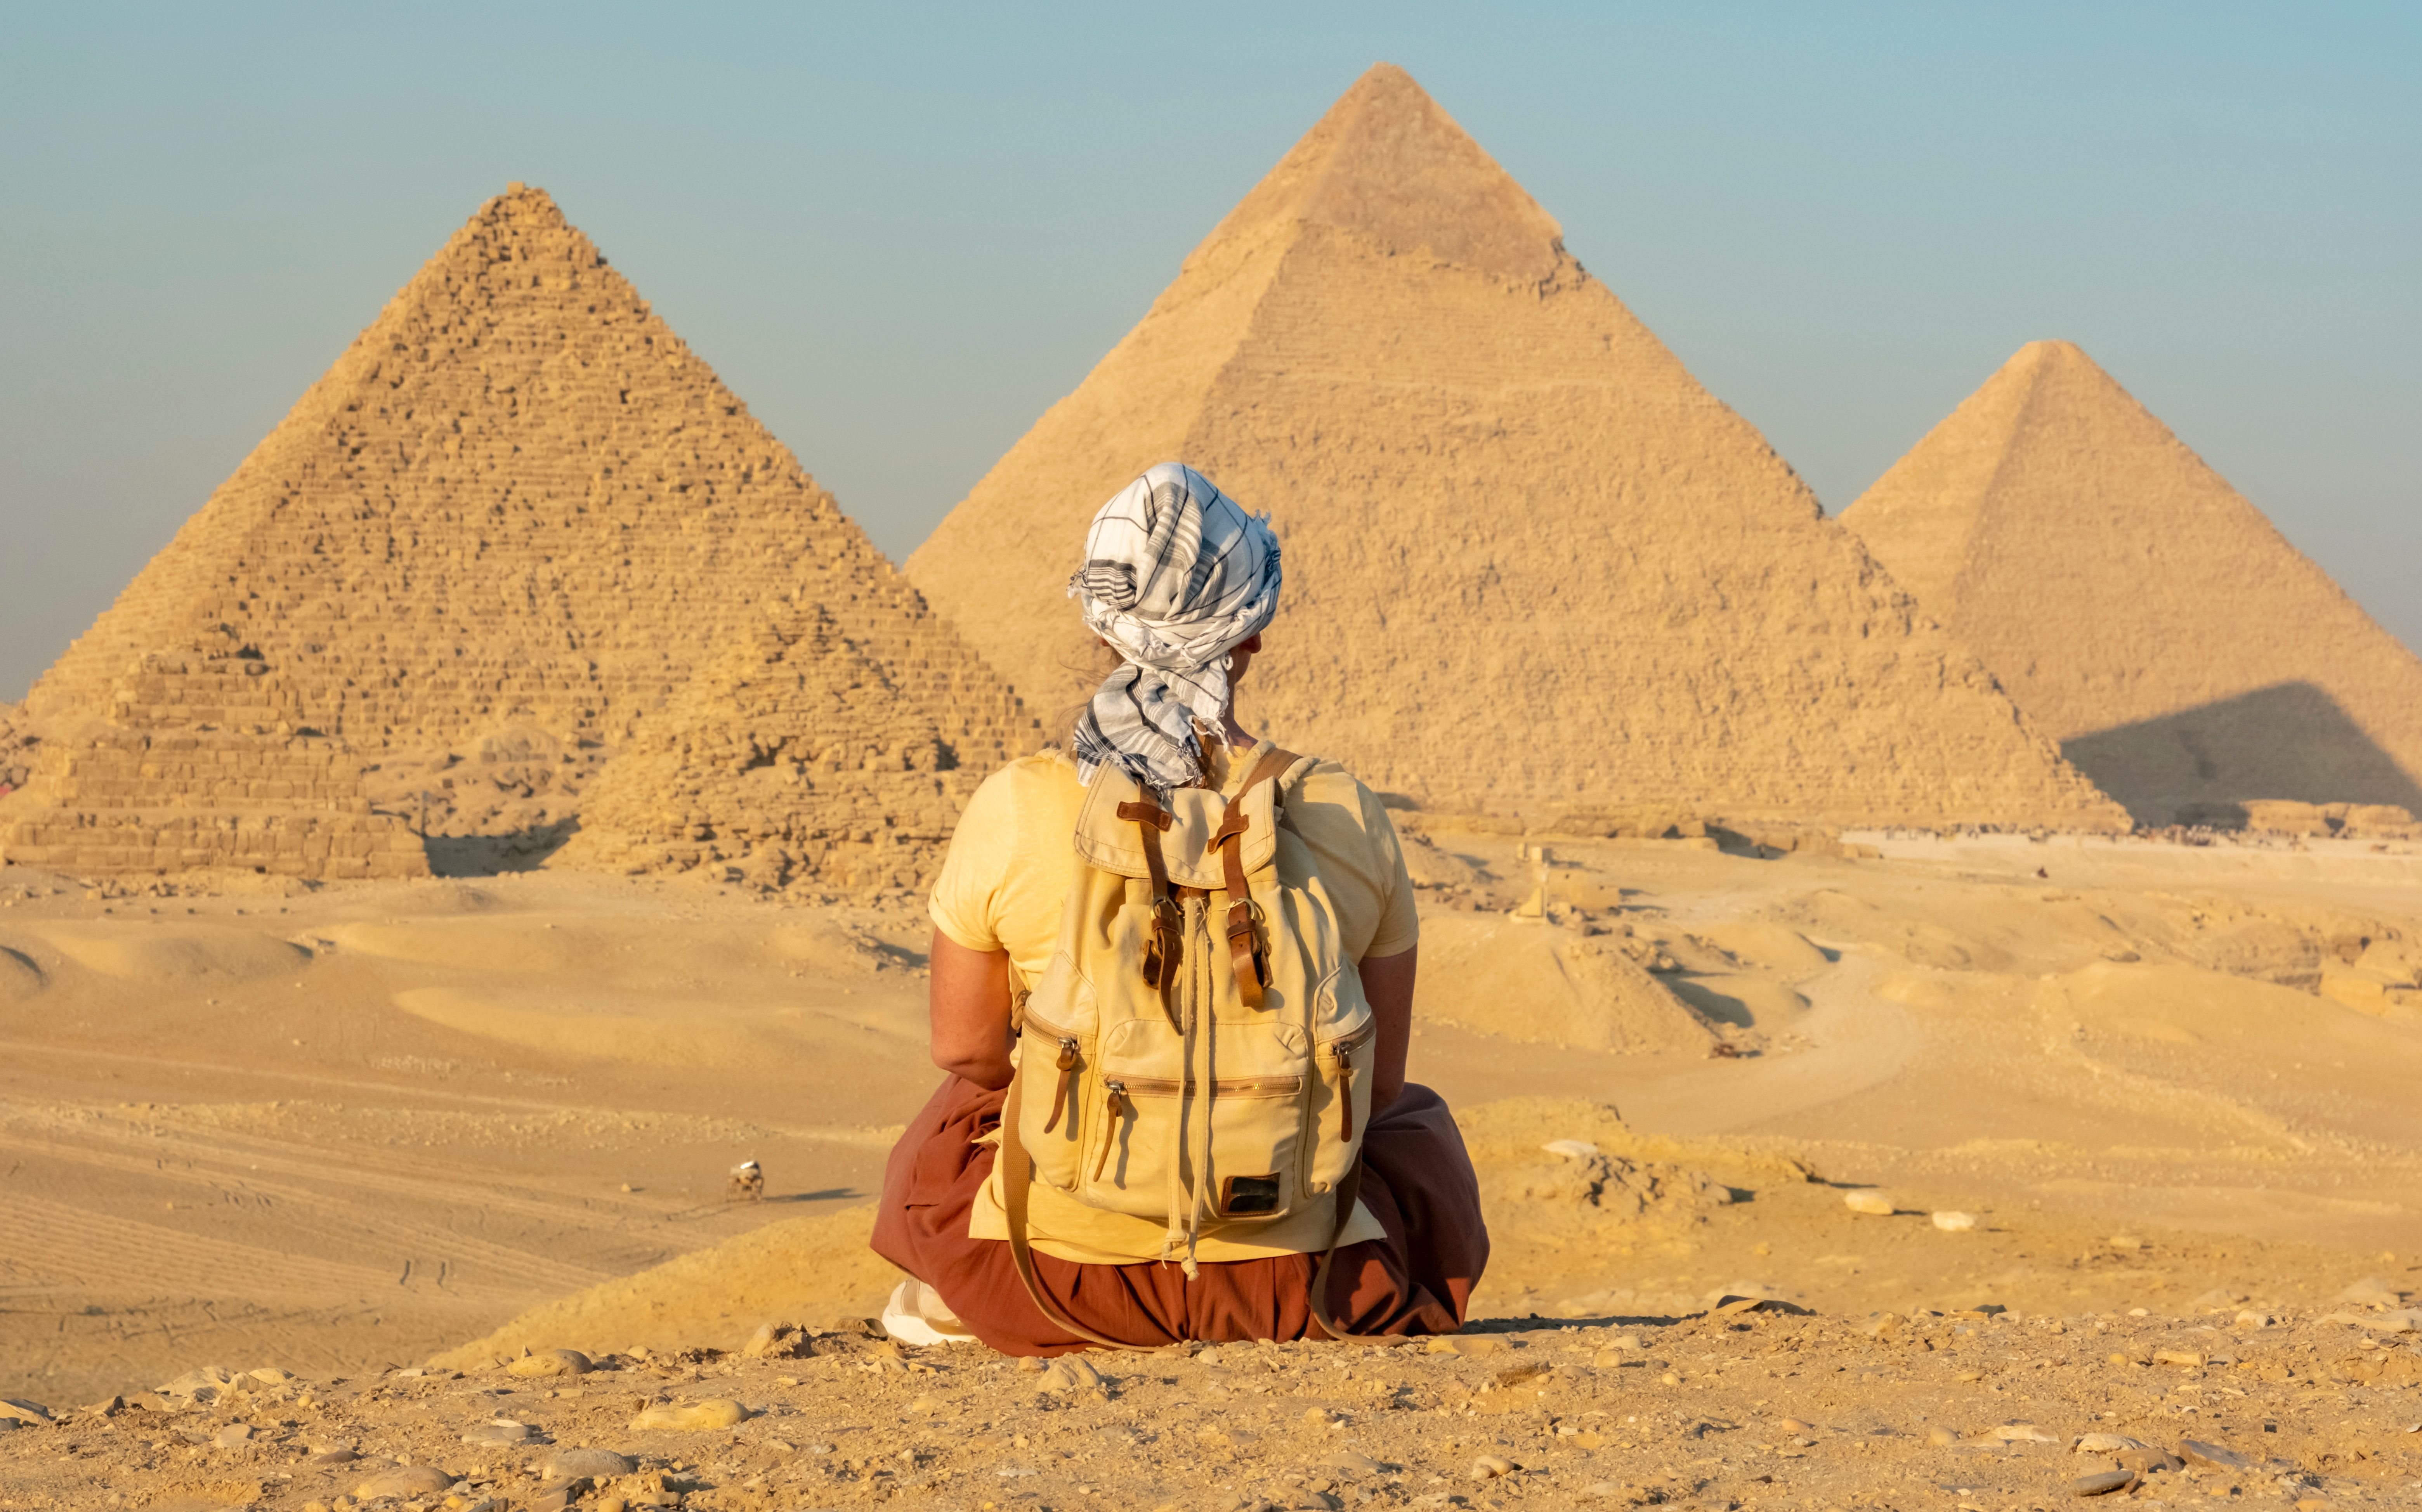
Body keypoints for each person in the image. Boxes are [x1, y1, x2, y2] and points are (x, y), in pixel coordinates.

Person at [870, 462, 1487, 1353]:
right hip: (1296, 1286)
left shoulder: (1017, 805)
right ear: (1252, 636)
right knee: (1414, 1117)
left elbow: (965, 1046)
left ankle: (959, 1296)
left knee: (957, 1108)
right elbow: (1377, 1084)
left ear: (1101, 629)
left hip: (1061, 1283)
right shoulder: (1347, 812)